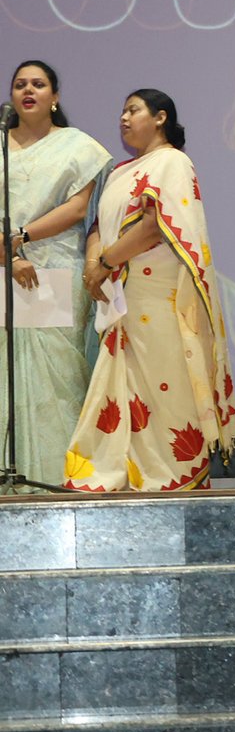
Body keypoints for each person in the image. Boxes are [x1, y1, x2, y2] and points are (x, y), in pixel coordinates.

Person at [65, 90, 235, 491]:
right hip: (122, 302)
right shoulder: (120, 172)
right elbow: (97, 227)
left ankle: (170, 483)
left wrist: (106, 263)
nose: (123, 118)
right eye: (122, 111)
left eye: (133, 110)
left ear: (160, 118)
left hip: (161, 302)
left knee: (166, 393)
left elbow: (154, 226)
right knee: (121, 395)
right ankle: (121, 481)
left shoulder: (172, 162)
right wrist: (93, 266)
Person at [0, 60, 111, 488]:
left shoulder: (77, 146)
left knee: (57, 377)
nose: (28, 90)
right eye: (20, 84)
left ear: (55, 97)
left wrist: (21, 238)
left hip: (55, 269)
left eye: (38, 84)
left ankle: (58, 477)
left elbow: (79, 208)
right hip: (3, 268)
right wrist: (8, 255)